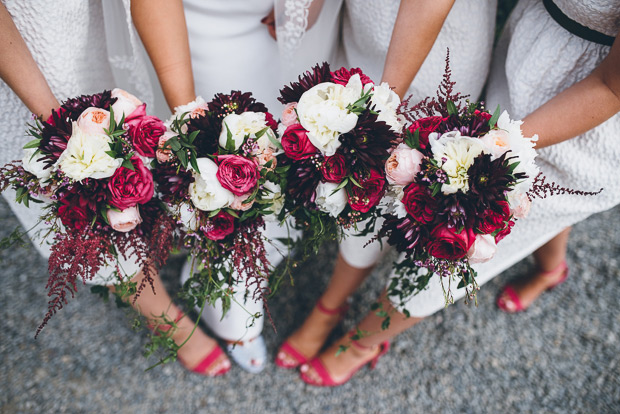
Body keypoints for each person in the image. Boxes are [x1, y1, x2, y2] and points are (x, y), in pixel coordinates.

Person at [299, 0, 620, 386]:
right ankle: (551, 268)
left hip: (591, 122)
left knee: (456, 244)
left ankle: (363, 342)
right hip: (532, 52)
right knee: (529, 214)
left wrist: (491, 147)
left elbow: (610, 85)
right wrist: (384, 105)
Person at [0, 0, 231, 377]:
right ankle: (161, 313)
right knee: (89, 215)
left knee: (144, 157)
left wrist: (188, 115)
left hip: (90, 30)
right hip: (17, 67)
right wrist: (61, 132)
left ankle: (153, 231)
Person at [273, 0, 498, 381]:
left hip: (433, 39)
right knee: (349, 178)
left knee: (381, 185)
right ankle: (335, 299)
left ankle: (332, 305)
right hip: (363, 20)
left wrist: (379, 110)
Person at [130, 0, 342, 372]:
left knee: (299, 147)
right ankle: (228, 292)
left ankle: (273, 238)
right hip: (214, 31)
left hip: (306, 28)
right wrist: (191, 127)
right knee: (222, 175)